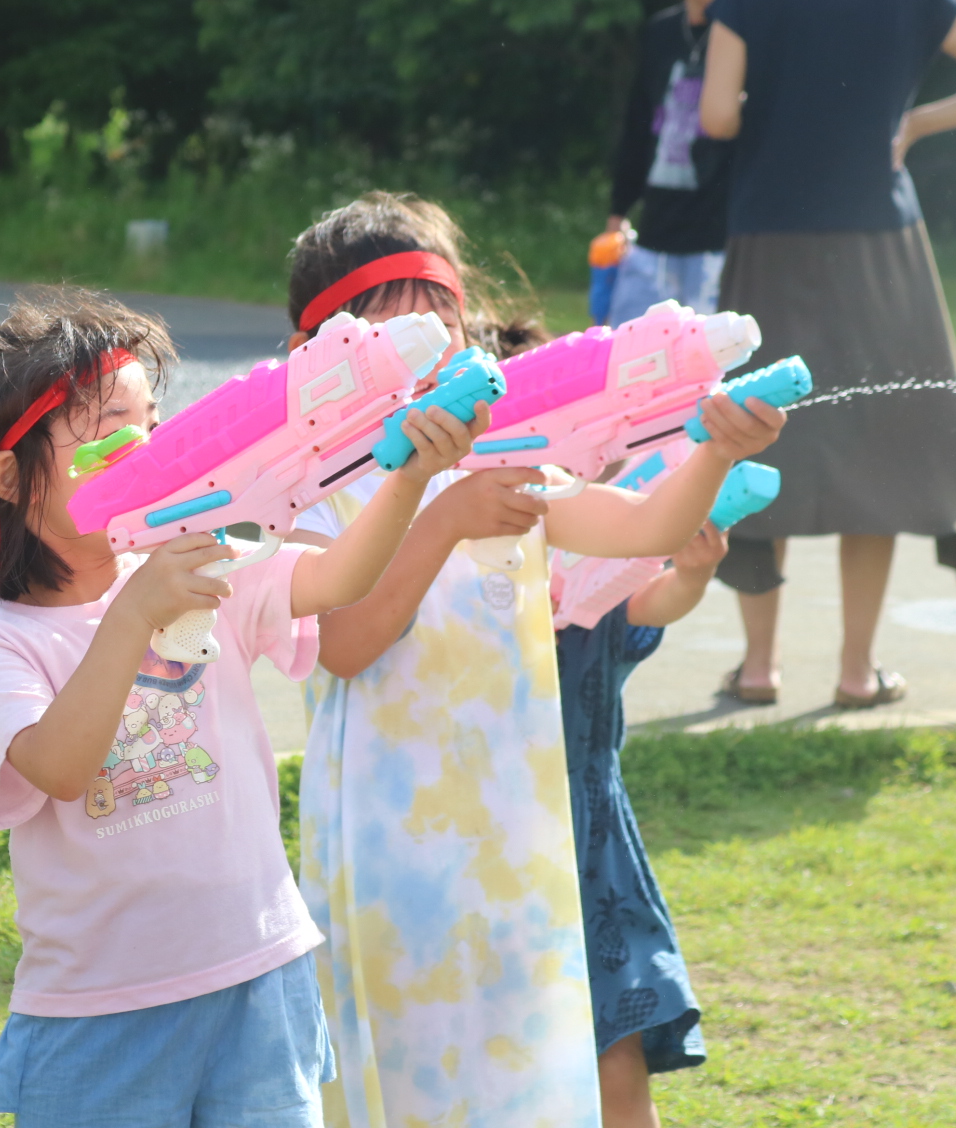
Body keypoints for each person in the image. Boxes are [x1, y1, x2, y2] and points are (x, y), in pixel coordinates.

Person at [0, 287, 481, 1127]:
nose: (146, 446)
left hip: (261, 969)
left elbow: (337, 579)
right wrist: (137, 615)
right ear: (9, 478)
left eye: (152, 419)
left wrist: (409, 476)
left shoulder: (201, 561)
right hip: (100, 1011)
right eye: (108, 432)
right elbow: (60, 768)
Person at [283, 193, 787, 1127]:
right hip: (388, 851)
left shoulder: (510, 455)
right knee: (411, 1075)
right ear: (325, 355)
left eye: (439, 324)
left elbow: (645, 524)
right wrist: (439, 520)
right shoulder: (316, 492)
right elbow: (345, 647)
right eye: (392, 336)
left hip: (518, 836)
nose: (427, 357)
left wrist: (716, 452)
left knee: (524, 1080)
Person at [699, 0, 956, 708]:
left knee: (760, 432)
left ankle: (759, 669)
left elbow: (719, 115)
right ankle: (854, 672)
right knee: (872, 446)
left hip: (771, 241)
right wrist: (914, 123)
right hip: (884, 248)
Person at [555, 526, 730, 1127]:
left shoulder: (586, 594)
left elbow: (652, 602)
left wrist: (693, 572)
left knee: (614, 1040)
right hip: (486, 848)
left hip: (589, 860)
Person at [602, 0, 749, 325]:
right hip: (655, 235)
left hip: (725, 239)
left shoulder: (758, 37)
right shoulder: (660, 33)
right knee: (630, 364)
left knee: (717, 372)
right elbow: (637, 125)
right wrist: (617, 213)